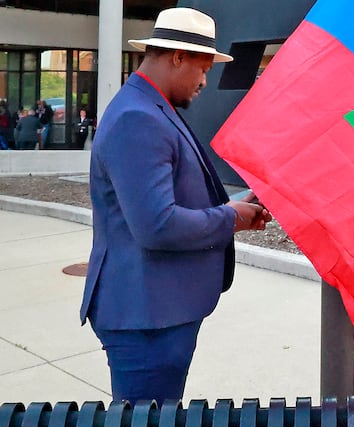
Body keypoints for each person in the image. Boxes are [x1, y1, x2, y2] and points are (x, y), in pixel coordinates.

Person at [80, 7, 272, 406]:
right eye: (202, 68)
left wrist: (238, 204)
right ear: (177, 57)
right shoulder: (138, 118)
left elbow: (173, 197)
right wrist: (230, 219)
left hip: (155, 311)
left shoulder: (149, 107)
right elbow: (157, 225)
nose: (204, 81)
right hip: (147, 318)